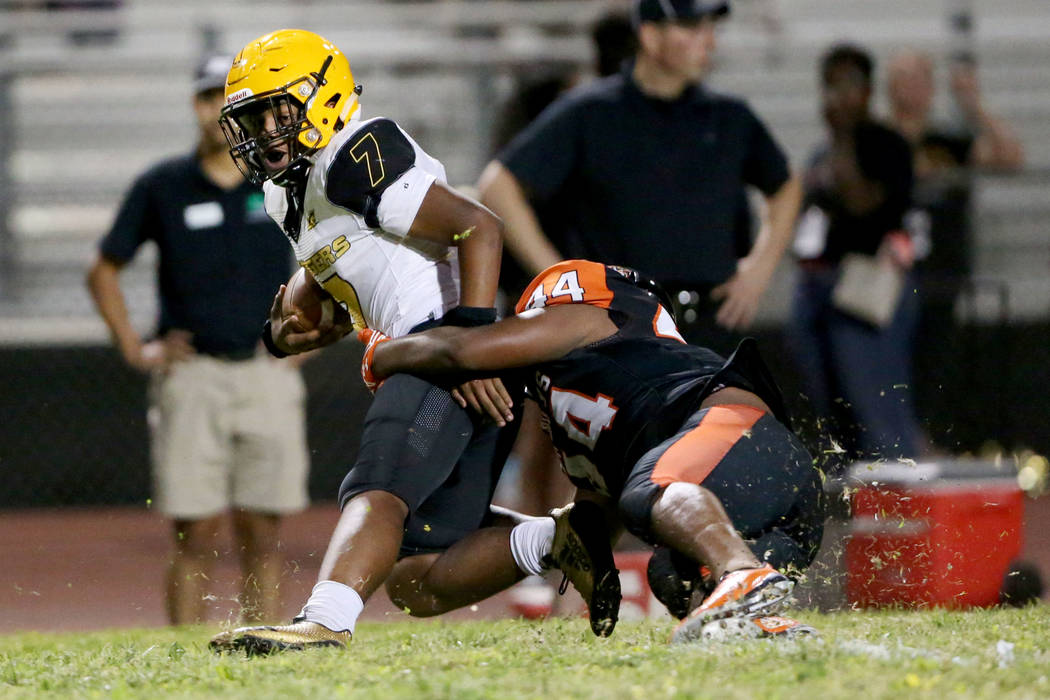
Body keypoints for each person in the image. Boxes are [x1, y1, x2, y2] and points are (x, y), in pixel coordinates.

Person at [206, 29, 606, 653]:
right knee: (418, 576)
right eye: (253, 118)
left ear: (321, 96)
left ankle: (325, 621)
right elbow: (339, 281)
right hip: (447, 353)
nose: (263, 131)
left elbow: (479, 227)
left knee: (377, 488)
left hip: (449, 344)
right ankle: (565, 539)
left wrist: (472, 347)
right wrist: (291, 328)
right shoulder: (289, 189)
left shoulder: (355, 150)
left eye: (276, 110)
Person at [357, 259, 825, 641]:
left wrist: (382, 352)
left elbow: (462, 350)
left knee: (646, 492)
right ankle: (765, 625)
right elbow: (586, 531)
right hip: (774, 495)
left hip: (733, 431)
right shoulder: (588, 411)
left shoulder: (585, 315)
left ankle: (741, 572)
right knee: (673, 576)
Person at [85, 54, 310, 624]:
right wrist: (137, 348)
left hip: (266, 371)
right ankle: (188, 660)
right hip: (193, 376)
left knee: (264, 531)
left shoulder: (282, 177)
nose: (219, 110)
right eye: (211, 98)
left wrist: (312, 338)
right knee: (196, 533)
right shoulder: (163, 186)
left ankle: (266, 650)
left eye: (231, 99)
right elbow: (103, 268)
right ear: (196, 105)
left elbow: (335, 257)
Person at [477, 0, 802, 356]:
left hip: (713, 323)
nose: (709, 42)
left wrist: (759, 270)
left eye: (711, 29)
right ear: (650, 35)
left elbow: (785, 186)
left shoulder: (729, 116)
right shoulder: (592, 111)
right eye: (693, 28)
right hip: (621, 327)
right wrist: (563, 281)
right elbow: (498, 186)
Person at [787, 43, 921, 463]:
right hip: (820, 286)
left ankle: (901, 508)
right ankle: (860, 498)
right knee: (834, 405)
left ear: (868, 89)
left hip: (867, 289)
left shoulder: (885, 144)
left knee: (874, 402)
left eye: (849, 85)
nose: (838, 96)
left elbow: (863, 203)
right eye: (831, 86)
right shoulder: (822, 152)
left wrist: (844, 137)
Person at [886, 49, 1025, 452]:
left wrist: (972, 103)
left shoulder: (948, 139)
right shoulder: (879, 138)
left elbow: (1009, 156)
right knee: (889, 365)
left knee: (935, 362)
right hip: (890, 277)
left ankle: (926, 441)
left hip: (942, 275)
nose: (912, 88)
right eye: (904, 78)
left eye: (919, 78)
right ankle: (898, 441)